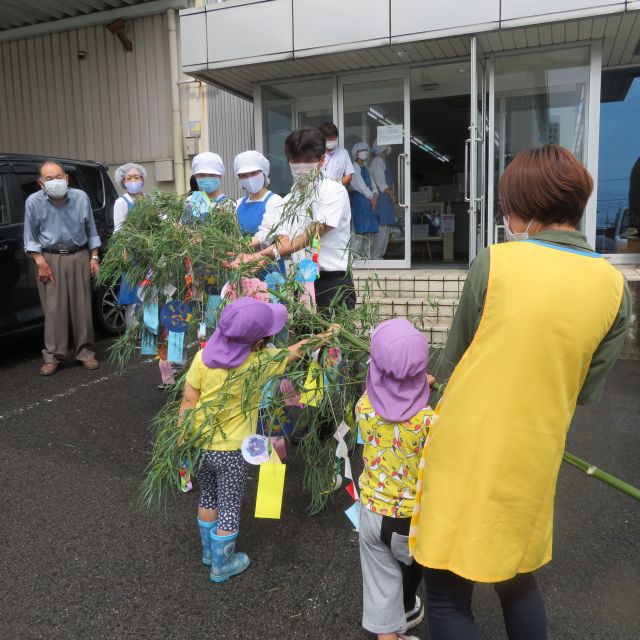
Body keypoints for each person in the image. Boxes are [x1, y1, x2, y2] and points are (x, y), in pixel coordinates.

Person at [409, 145, 631, 640]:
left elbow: (452, 361)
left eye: (507, 206)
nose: (506, 216)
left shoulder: (496, 263)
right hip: (534, 455)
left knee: (447, 593)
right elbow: (586, 392)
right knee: (516, 579)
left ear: (525, 207)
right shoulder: (615, 289)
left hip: (464, 447)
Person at [179, 297, 338, 582]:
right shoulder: (258, 363)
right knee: (229, 504)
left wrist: (182, 436)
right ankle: (222, 564)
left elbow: (189, 401)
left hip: (200, 444)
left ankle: (208, 552)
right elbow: (295, 351)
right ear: (256, 343)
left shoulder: (201, 358)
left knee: (208, 494)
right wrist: (326, 336)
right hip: (231, 451)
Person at [357, 318, 434, 640]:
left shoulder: (363, 406)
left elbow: (384, 386)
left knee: (380, 585)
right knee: (414, 568)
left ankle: (388, 634)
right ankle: (409, 609)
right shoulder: (429, 421)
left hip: (371, 512)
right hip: (408, 520)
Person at [234, 127, 356, 312]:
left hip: (332, 281)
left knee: (332, 338)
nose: (301, 168)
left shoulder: (334, 191)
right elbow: (284, 240)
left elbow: (311, 234)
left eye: (307, 161)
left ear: (322, 160)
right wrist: (260, 258)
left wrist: (259, 255)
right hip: (302, 280)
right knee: (305, 338)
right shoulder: (291, 198)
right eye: (295, 161)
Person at [24, 160, 101, 376]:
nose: (55, 181)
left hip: (79, 254)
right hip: (49, 258)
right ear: (41, 183)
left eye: (58, 176)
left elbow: (91, 229)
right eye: (49, 179)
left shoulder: (80, 197)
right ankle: (53, 356)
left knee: (82, 306)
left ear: (66, 178)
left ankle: (85, 352)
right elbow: (29, 238)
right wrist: (40, 262)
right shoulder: (34, 202)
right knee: (53, 309)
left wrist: (94, 256)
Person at [113, 162, 147, 325]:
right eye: (129, 178)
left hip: (150, 254)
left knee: (150, 293)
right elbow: (119, 229)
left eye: (137, 177)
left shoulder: (149, 200)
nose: (133, 180)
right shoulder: (122, 202)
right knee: (133, 296)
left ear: (142, 179)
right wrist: (123, 251)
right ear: (123, 182)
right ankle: (133, 335)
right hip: (132, 255)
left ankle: (152, 337)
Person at [350, 142, 379, 259]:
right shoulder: (354, 167)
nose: (365, 152)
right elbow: (360, 186)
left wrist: (375, 196)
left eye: (366, 150)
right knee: (359, 229)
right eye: (362, 150)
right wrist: (372, 197)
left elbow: (373, 183)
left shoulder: (365, 168)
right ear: (356, 154)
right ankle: (356, 254)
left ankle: (366, 253)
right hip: (360, 201)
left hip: (369, 201)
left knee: (370, 229)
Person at [369, 143, 397, 260]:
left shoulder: (383, 162)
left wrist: (393, 192)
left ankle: (379, 255)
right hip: (382, 198)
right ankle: (375, 256)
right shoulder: (377, 161)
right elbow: (380, 180)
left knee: (385, 229)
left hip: (386, 199)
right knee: (381, 228)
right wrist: (390, 193)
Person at [185, 152, 228, 221]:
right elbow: (183, 227)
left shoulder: (229, 204)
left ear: (220, 176)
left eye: (212, 174)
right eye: (202, 175)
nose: (207, 178)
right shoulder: (190, 201)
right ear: (195, 177)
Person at [320, 122, 354, 186]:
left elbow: (349, 175)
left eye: (334, 139)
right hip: (318, 191)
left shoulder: (343, 153)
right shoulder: (315, 153)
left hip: (337, 191)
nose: (332, 141)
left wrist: (337, 185)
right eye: (329, 139)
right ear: (322, 138)